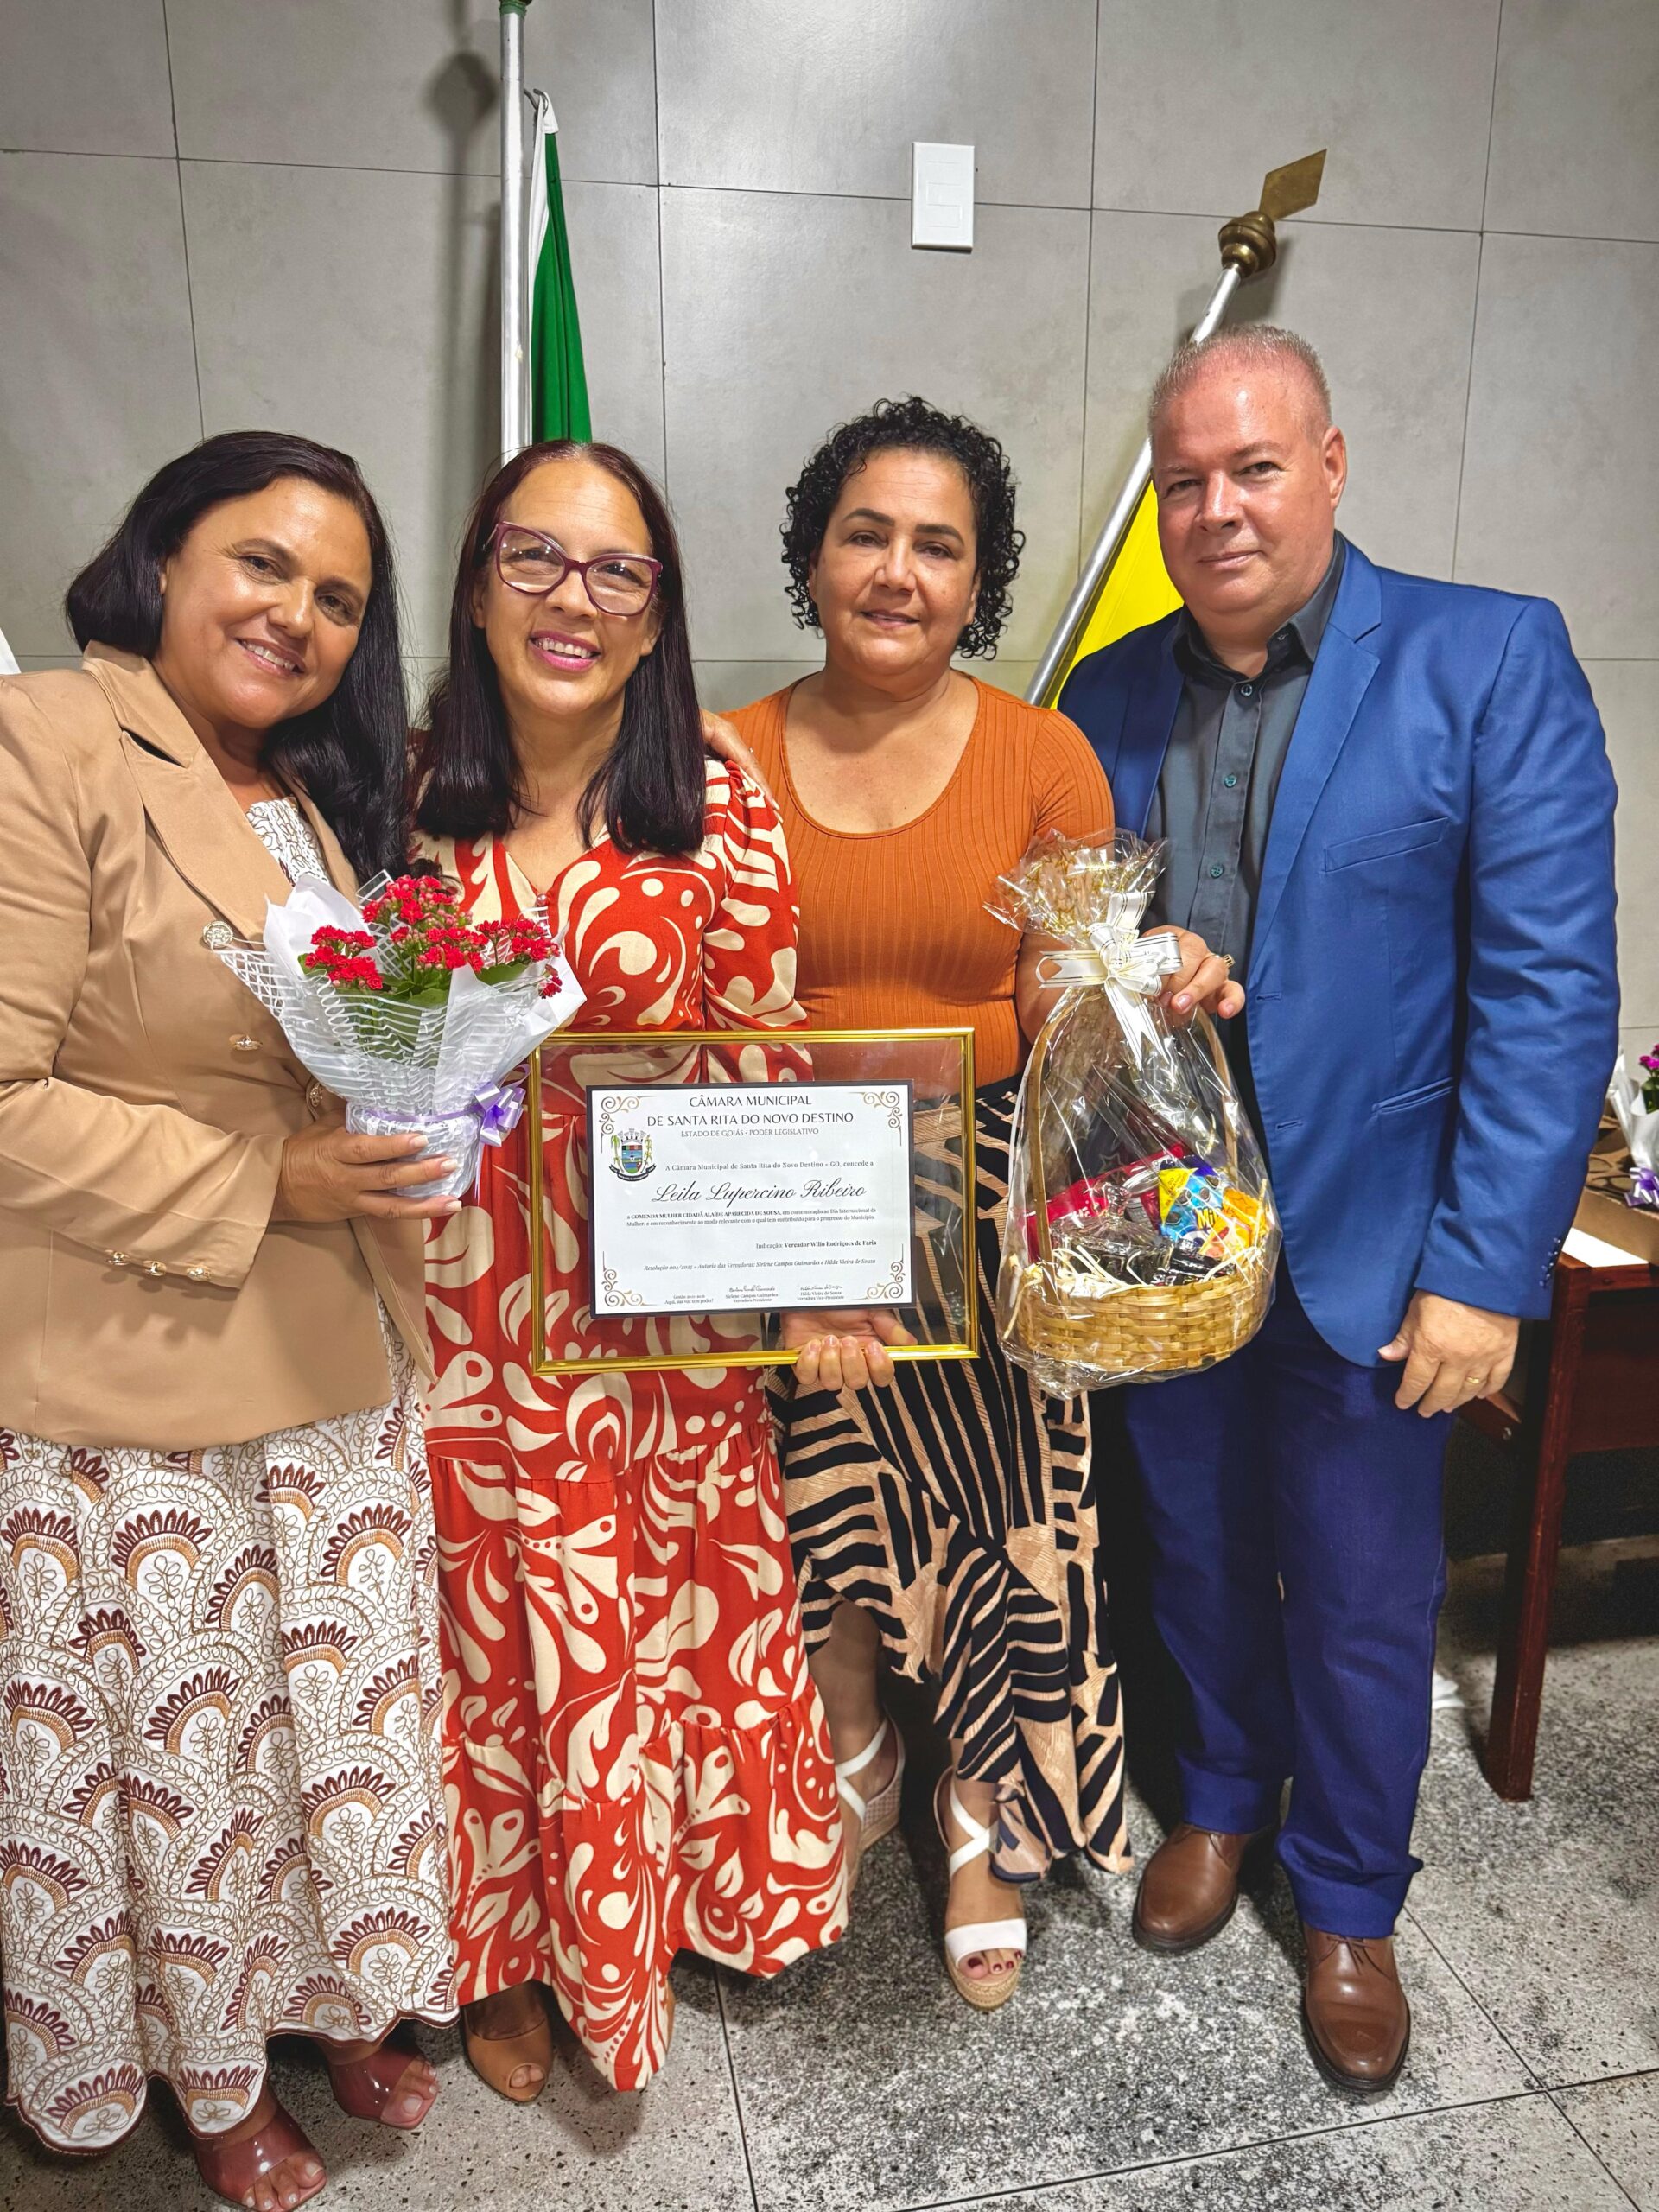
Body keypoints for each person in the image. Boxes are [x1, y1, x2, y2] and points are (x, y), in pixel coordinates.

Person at [1058, 326, 1618, 2093]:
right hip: (1168, 1240)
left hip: (1385, 1247)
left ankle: (1354, 1894)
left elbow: (1547, 988)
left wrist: (1487, 1268)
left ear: (1332, 464)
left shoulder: (1486, 655)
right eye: (1185, 480)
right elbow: (1071, 949)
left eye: (1254, 467)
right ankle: (1222, 1798)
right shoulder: (1105, 694)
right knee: (1199, 1548)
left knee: (1368, 1593)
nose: (1216, 508)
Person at [720, 397, 1236, 2011]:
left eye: (938, 546)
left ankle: (978, 1813)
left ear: (979, 580)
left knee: (1005, 1522)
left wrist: (1143, 980)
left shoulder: (1042, 754)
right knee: (817, 1507)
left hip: (990, 1202)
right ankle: (851, 1753)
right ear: (813, 557)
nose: (898, 571)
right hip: (783, 1196)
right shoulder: (720, 756)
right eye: (866, 534)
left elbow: (1062, 1000)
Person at [0, 432, 460, 2211]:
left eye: (338, 596)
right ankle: (210, 2074)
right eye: (263, 564)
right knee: (193, 1772)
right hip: (148, 1381)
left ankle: (329, 2000)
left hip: (335, 1356)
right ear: (164, 558)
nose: (299, 616)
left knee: (314, 1748)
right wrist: (278, 1176)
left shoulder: (298, 795)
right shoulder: (50, 738)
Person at [413, 439, 849, 2099]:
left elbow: (769, 1056)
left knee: (646, 1621)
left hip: (647, 1314)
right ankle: (501, 1955)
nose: (572, 599)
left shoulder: (716, 805)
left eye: (617, 571)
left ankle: (640, 1918)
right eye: (533, 557)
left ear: (657, 618)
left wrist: (817, 1275)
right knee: (482, 1636)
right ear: (478, 585)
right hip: (452, 1307)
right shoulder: (392, 796)